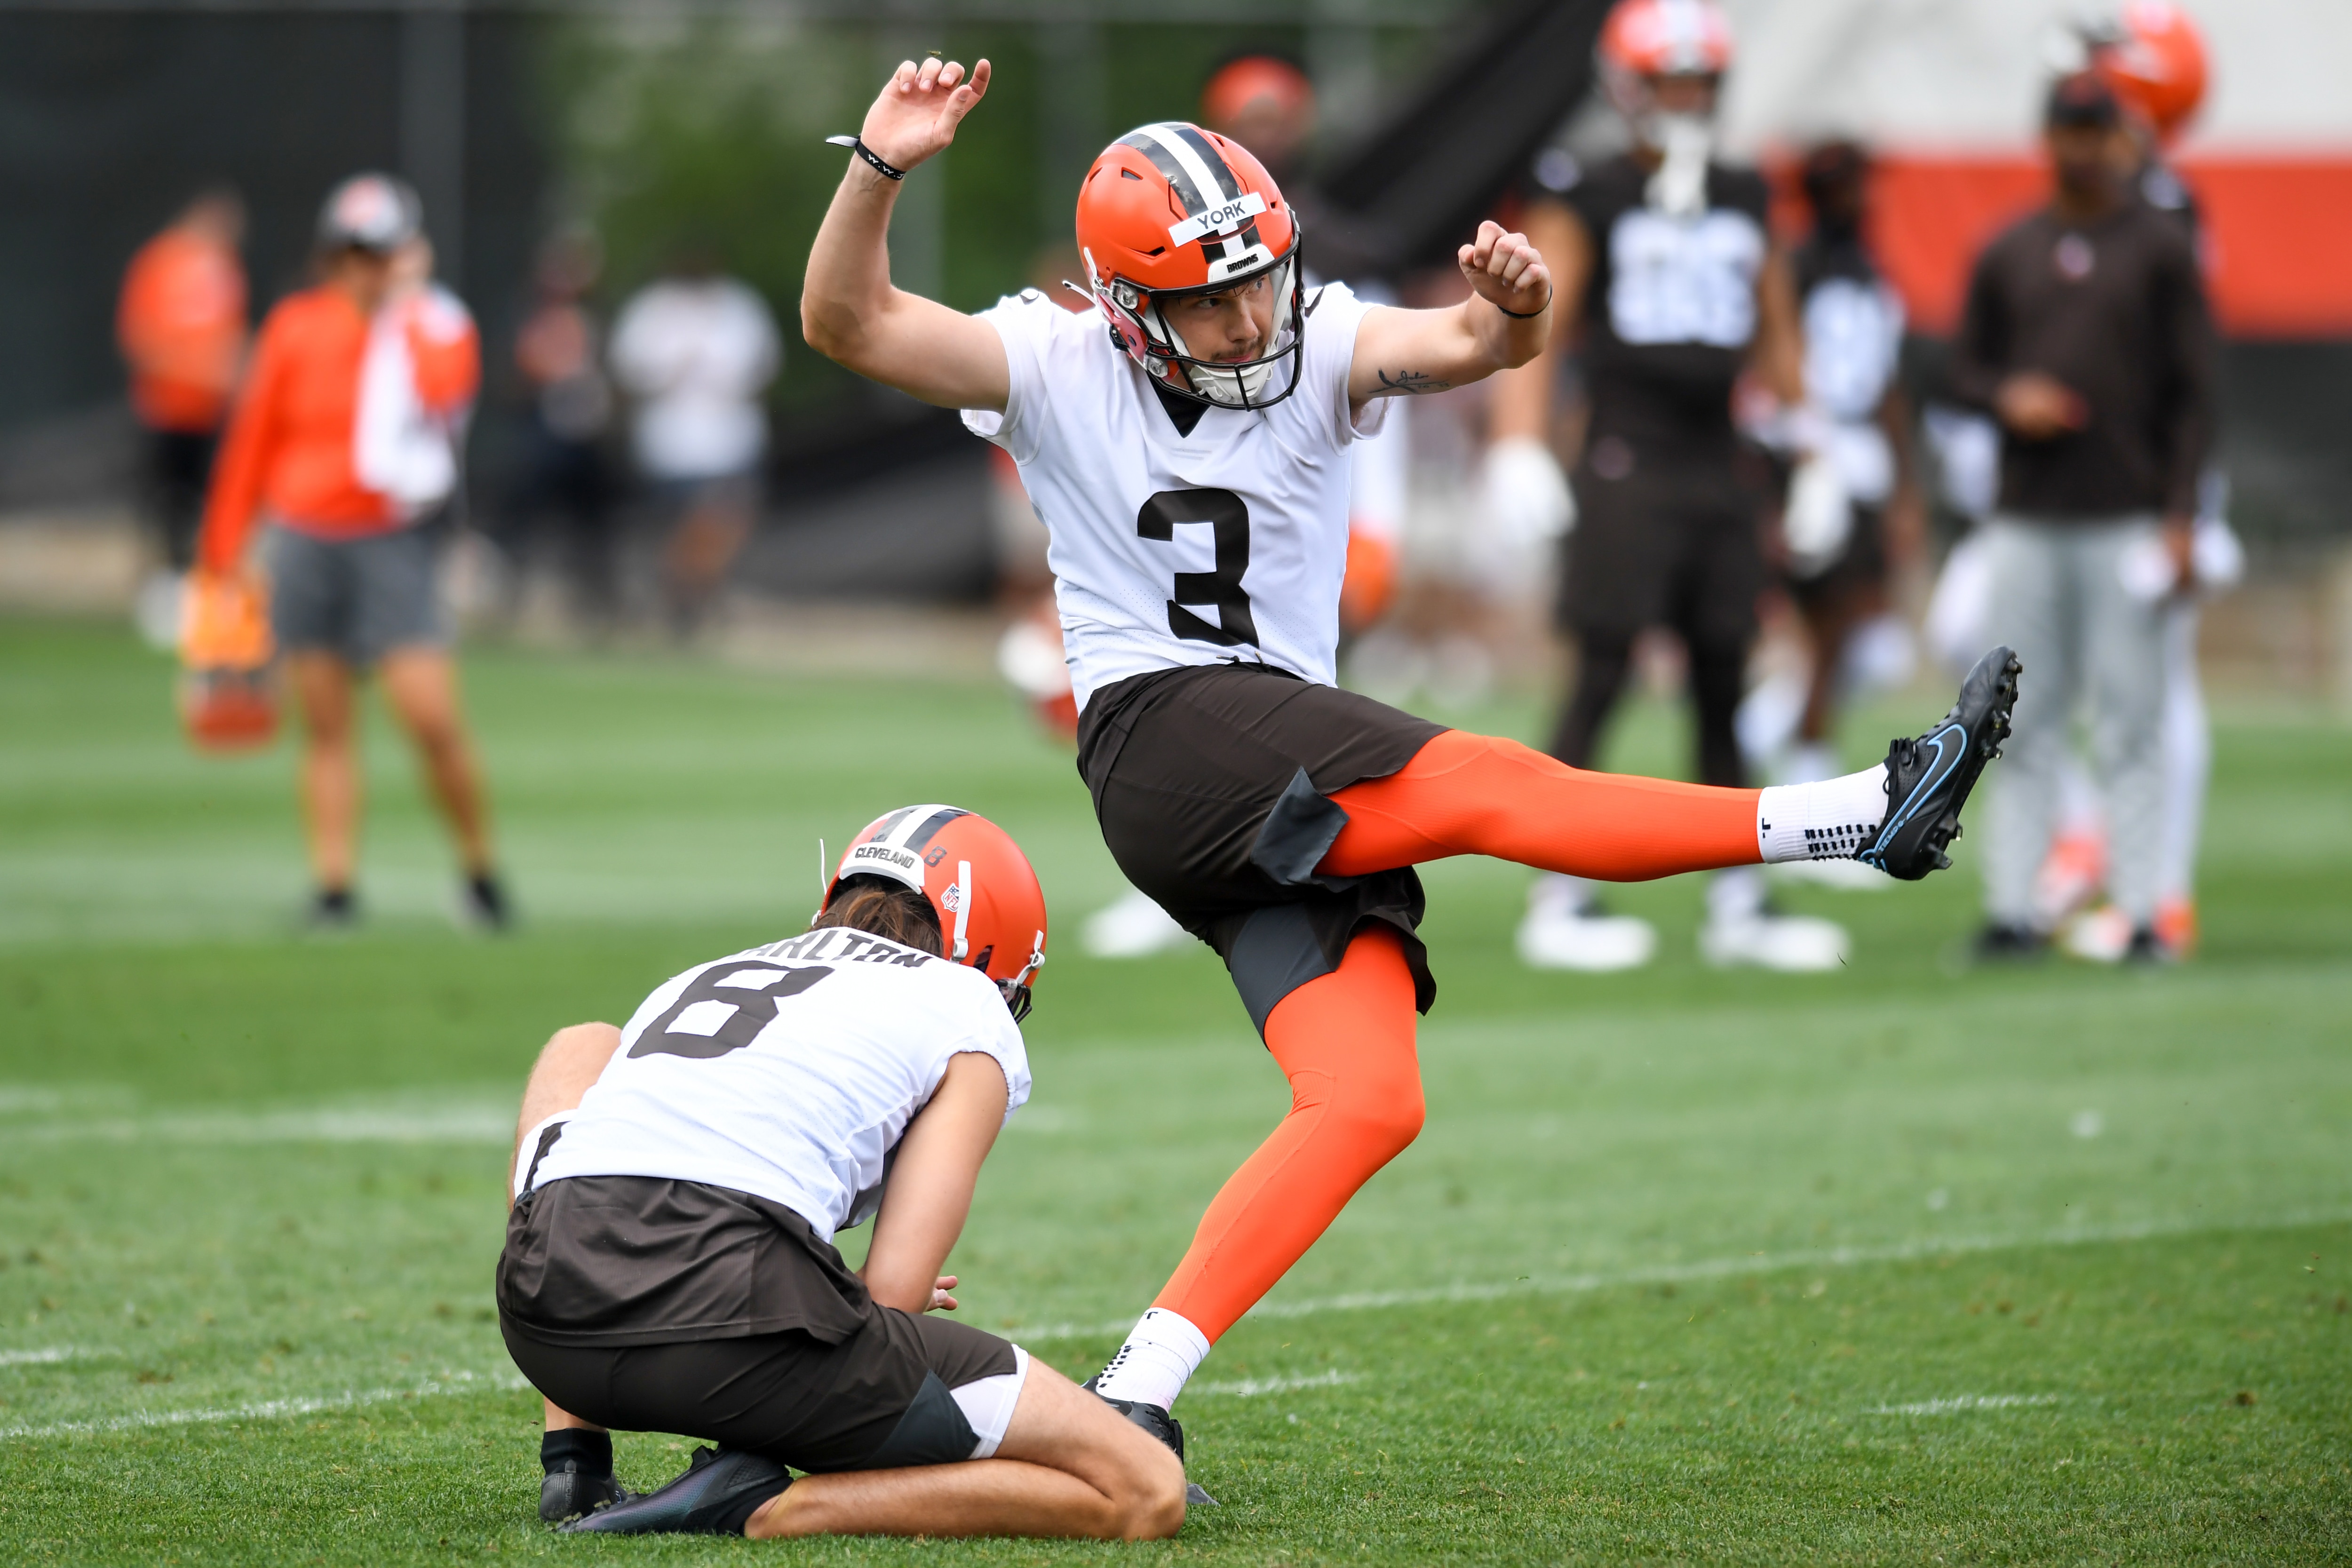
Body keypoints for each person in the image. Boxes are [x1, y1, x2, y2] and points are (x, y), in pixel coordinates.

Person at [801, 53, 2017, 1481]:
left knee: (1369, 1098)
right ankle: (1858, 816)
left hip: (1268, 770)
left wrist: (1516, 311)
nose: (1253, 315)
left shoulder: (1314, 335)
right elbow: (847, 321)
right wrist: (875, 170)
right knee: (1496, 783)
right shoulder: (1050, 357)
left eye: (1261, 278)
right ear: (1124, 308)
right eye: (1211, 296)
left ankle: (1139, 1382)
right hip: (1165, 732)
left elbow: (1455, 345)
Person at [501, 807, 1186, 1541]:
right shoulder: (967, 1004)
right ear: (990, 948)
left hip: (543, 1318)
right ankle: (766, 1507)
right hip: (727, 1330)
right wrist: (856, 1301)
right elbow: (894, 1291)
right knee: (1146, 1488)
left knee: (584, 1044)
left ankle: (573, 1459)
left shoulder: (705, 975)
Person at [1498, 0, 1849, 973]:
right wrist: (1519, 440)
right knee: (1602, 669)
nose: (1687, 100)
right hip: (1624, 453)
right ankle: (1557, 889)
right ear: (1628, 87)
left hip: (1717, 458)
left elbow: (1775, 328)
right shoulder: (1588, 190)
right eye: (1670, 81)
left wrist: (1814, 453)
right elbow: (1543, 320)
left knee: (1723, 675)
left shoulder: (1741, 191)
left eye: (1700, 81)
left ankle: (1740, 891)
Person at [1080, 52, 1407, 963]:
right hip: (1202, 508)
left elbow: (1407, 357)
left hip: (1311, 497)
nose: (1249, 317)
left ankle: (1287, 858)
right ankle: (1205, 863)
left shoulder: (1342, 258)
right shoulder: (1091, 343)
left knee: (1309, 687)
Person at [195, 174, 507, 930]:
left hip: (392, 541)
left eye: (378, 252)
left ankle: (479, 872)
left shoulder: (433, 325)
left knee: (430, 718)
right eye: (353, 252)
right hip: (306, 538)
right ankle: (334, 887)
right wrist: (221, 557)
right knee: (327, 724)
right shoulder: (297, 327)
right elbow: (253, 443)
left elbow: (445, 391)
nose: (363, 267)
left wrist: (405, 304)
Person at [1951, 71, 2213, 963]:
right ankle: (2014, 904)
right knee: (2020, 715)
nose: (2084, 146)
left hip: (2126, 514)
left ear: (2120, 140)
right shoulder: (2012, 249)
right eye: (2071, 128)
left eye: (2098, 130)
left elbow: (2195, 395)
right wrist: (2005, 396)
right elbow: (1960, 370)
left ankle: (2144, 909)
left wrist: (2182, 515)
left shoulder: (2159, 249)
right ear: (2049, 137)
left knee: (2135, 715)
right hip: (2028, 513)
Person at [1761, 141, 1928, 887]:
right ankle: (1813, 814)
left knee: (1863, 632)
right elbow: (1769, 372)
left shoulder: (1870, 275)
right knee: (1829, 631)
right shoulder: (1793, 272)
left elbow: (1886, 385)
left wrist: (1903, 487)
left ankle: (1772, 734)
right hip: (1810, 458)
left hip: (1861, 462)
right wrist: (1790, 466)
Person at [608, 248, 780, 637]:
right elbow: (626, 374)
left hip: (729, 442)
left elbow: (764, 370)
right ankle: (683, 600)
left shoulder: (740, 308)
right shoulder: (651, 310)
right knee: (679, 530)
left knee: (722, 523)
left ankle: (698, 596)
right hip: (669, 446)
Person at [119, 186, 248, 642]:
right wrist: (203, 369)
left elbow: (231, 336)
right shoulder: (160, 262)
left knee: (210, 503)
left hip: (213, 414)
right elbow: (142, 339)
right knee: (166, 504)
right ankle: (163, 594)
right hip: (167, 408)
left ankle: (207, 596)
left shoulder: (225, 269)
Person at [501, 228, 619, 634]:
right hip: (546, 435)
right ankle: (509, 604)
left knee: (591, 528)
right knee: (527, 521)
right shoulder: (533, 319)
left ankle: (596, 608)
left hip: (585, 437)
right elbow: (520, 377)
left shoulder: (594, 320)